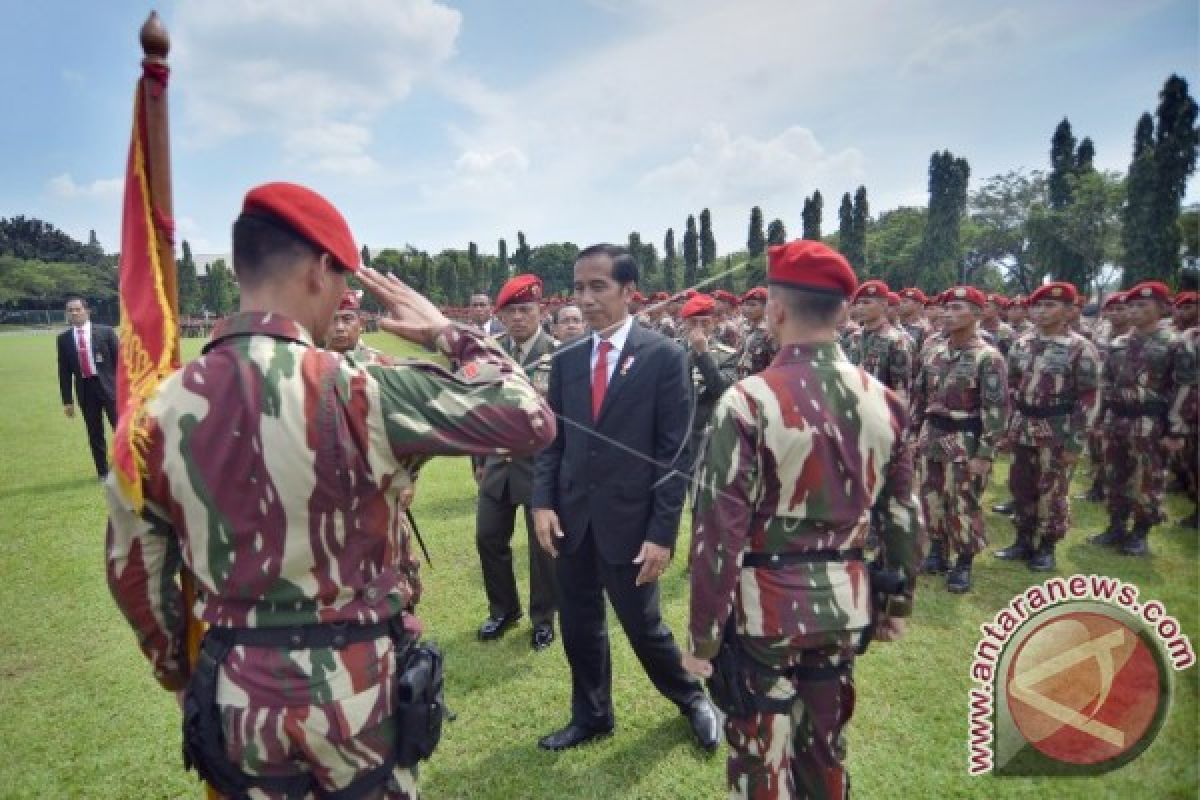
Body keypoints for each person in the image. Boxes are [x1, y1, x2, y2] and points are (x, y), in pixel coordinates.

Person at [104, 182, 555, 799]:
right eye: (345, 279)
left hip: (237, 695)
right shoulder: (364, 389)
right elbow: (529, 417)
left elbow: (135, 574)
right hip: (357, 692)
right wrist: (448, 333)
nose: (347, 297)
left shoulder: (154, 411)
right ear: (320, 269)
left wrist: (181, 673)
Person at [684, 239, 920, 799]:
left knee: (763, 757)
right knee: (825, 749)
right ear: (843, 312)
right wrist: (896, 604)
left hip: (765, 609)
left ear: (776, 311)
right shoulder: (884, 401)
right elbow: (903, 514)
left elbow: (718, 531)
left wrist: (702, 636)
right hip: (844, 601)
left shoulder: (747, 400)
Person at [531, 243, 719, 753]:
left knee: (645, 628)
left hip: (631, 525)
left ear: (628, 291)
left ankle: (693, 698)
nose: (585, 299)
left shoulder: (664, 357)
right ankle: (592, 715)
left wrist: (661, 535)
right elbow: (553, 438)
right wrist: (542, 503)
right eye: (578, 287)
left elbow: (673, 456)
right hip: (572, 519)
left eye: (599, 286)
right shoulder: (567, 358)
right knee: (579, 624)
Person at [475, 274, 561, 650]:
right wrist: (477, 459)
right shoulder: (489, 353)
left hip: (541, 467)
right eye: (510, 312)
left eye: (525, 310)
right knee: (488, 538)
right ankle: (504, 610)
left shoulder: (559, 354)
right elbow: (478, 409)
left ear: (540, 310)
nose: (518, 318)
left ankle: (543, 618)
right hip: (497, 467)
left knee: (543, 549)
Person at [994, 283, 1100, 571]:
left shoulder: (1080, 348)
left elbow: (1088, 397)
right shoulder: (1021, 343)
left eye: (1050, 306)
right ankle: (1023, 539)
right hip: (1023, 425)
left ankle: (1047, 545)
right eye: (1037, 306)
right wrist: (1006, 429)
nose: (1041, 312)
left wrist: (1076, 441)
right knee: (1020, 485)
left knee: (1052, 490)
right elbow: (1012, 387)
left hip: (1057, 429)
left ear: (1068, 311)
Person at [912, 287, 1008, 593]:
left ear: (977, 315)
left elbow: (995, 409)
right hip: (932, 434)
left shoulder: (988, 357)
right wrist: (914, 435)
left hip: (965, 437)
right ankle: (938, 552)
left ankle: (964, 562)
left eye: (958, 308)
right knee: (931, 497)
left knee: (962, 501)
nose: (948, 314)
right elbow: (920, 396)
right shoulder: (933, 351)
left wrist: (985, 453)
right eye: (947, 308)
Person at [1088, 281, 1191, 556]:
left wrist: (1176, 430)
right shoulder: (1119, 342)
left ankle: (1141, 531)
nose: (1134, 311)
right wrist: (1099, 419)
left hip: (1151, 422)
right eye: (1131, 305)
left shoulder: (1175, 343)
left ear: (1162, 308)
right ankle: (1116, 525)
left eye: (1142, 305)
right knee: (1114, 474)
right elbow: (1106, 382)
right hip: (1116, 419)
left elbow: (1184, 388)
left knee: (1148, 478)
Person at [57, 296, 119, 478]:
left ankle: (131, 468)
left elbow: (121, 363)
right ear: (67, 314)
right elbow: (64, 371)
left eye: (78, 309)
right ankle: (103, 473)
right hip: (85, 390)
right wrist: (67, 401)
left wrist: (126, 389)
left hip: (109, 387)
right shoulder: (64, 339)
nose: (74, 313)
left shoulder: (106, 332)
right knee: (95, 433)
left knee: (121, 429)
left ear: (87, 311)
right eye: (70, 310)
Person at [679, 293, 739, 472]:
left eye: (704, 323)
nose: (698, 329)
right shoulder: (672, 351)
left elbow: (721, 389)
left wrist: (703, 355)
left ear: (713, 323)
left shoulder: (727, 355)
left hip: (707, 434)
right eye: (693, 323)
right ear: (684, 324)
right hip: (676, 433)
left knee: (700, 493)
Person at [847, 280, 912, 404]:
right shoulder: (854, 337)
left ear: (883, 305)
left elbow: (900, 389)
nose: (860, 307)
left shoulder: (896, 340)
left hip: (881, 410)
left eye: (866, 303)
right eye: (858, 303)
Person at [735, 287, 777, 379]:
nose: (747, 308)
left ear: (766, 307)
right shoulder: (744, 328)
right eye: (746, 304)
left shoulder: (770, 333)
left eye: (753, 305)